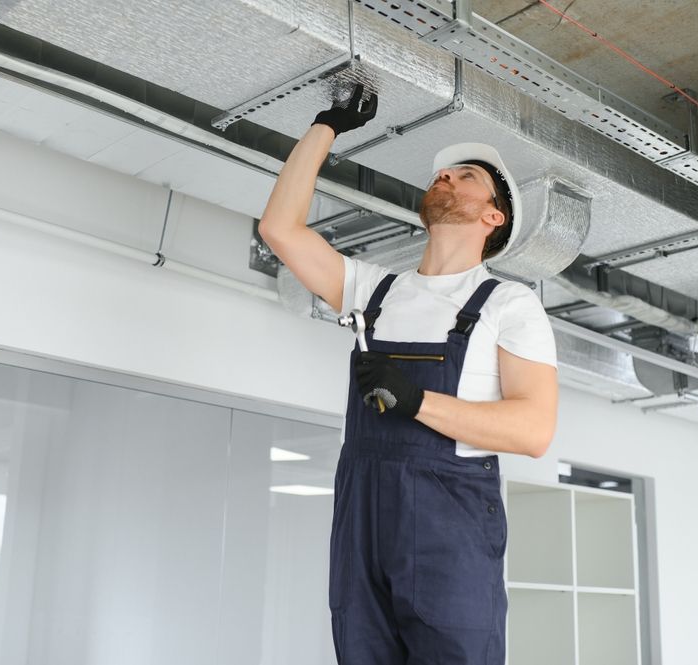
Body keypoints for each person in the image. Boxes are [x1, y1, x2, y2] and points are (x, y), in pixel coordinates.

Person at [258, 84, 559, 664]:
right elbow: (280, 229)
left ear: (493, 216)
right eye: (443, 174)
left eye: (465, 176)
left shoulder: (507, 303)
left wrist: (415, 401)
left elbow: (533, 430)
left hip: (449, 510)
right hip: (363, 502)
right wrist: (326, 125)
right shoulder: (376, 289)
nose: (445, 178)